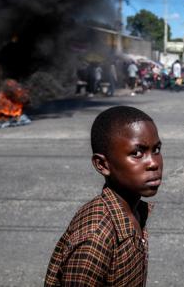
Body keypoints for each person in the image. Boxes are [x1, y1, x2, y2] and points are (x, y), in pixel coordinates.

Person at [45, 106, 163, 286]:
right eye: (137, 153)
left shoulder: (135, 211)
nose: (154, 163)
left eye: (156, 150)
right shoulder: (95, 237)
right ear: (102, 164)